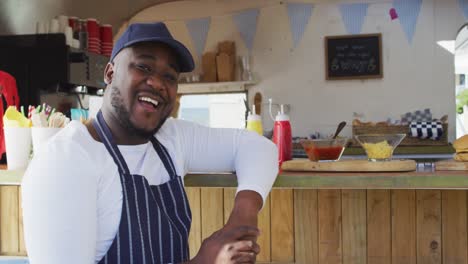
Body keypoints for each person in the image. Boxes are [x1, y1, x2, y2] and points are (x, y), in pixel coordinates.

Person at [21, 22, 278, 264]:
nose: (157, 83)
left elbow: (258, 147)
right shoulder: (65, 161)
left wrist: (242, 217)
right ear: (110, 72)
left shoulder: (171, 138)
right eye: (143, 67)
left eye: (170, 77)